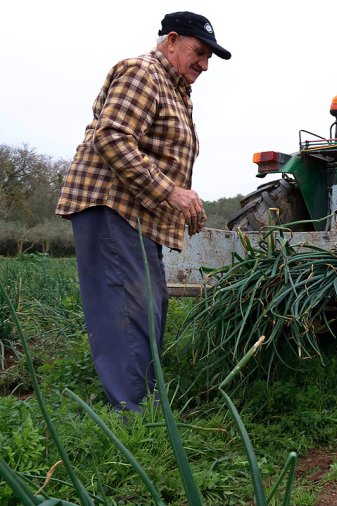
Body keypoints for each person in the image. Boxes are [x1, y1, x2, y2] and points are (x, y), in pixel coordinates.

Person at [55, 11, 231, 411]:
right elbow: (112, 137)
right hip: (111, 207)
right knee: (127, 307)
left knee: (148, 308)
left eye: (208, 58)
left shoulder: (174, 89)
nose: (204, 65)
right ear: (171, 41)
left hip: (138, 216)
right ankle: (133, 413)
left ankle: (142, 400)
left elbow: (155, 151)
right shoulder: (143, 73)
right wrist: (172, 192)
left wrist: (182, 200)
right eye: (198, 52)